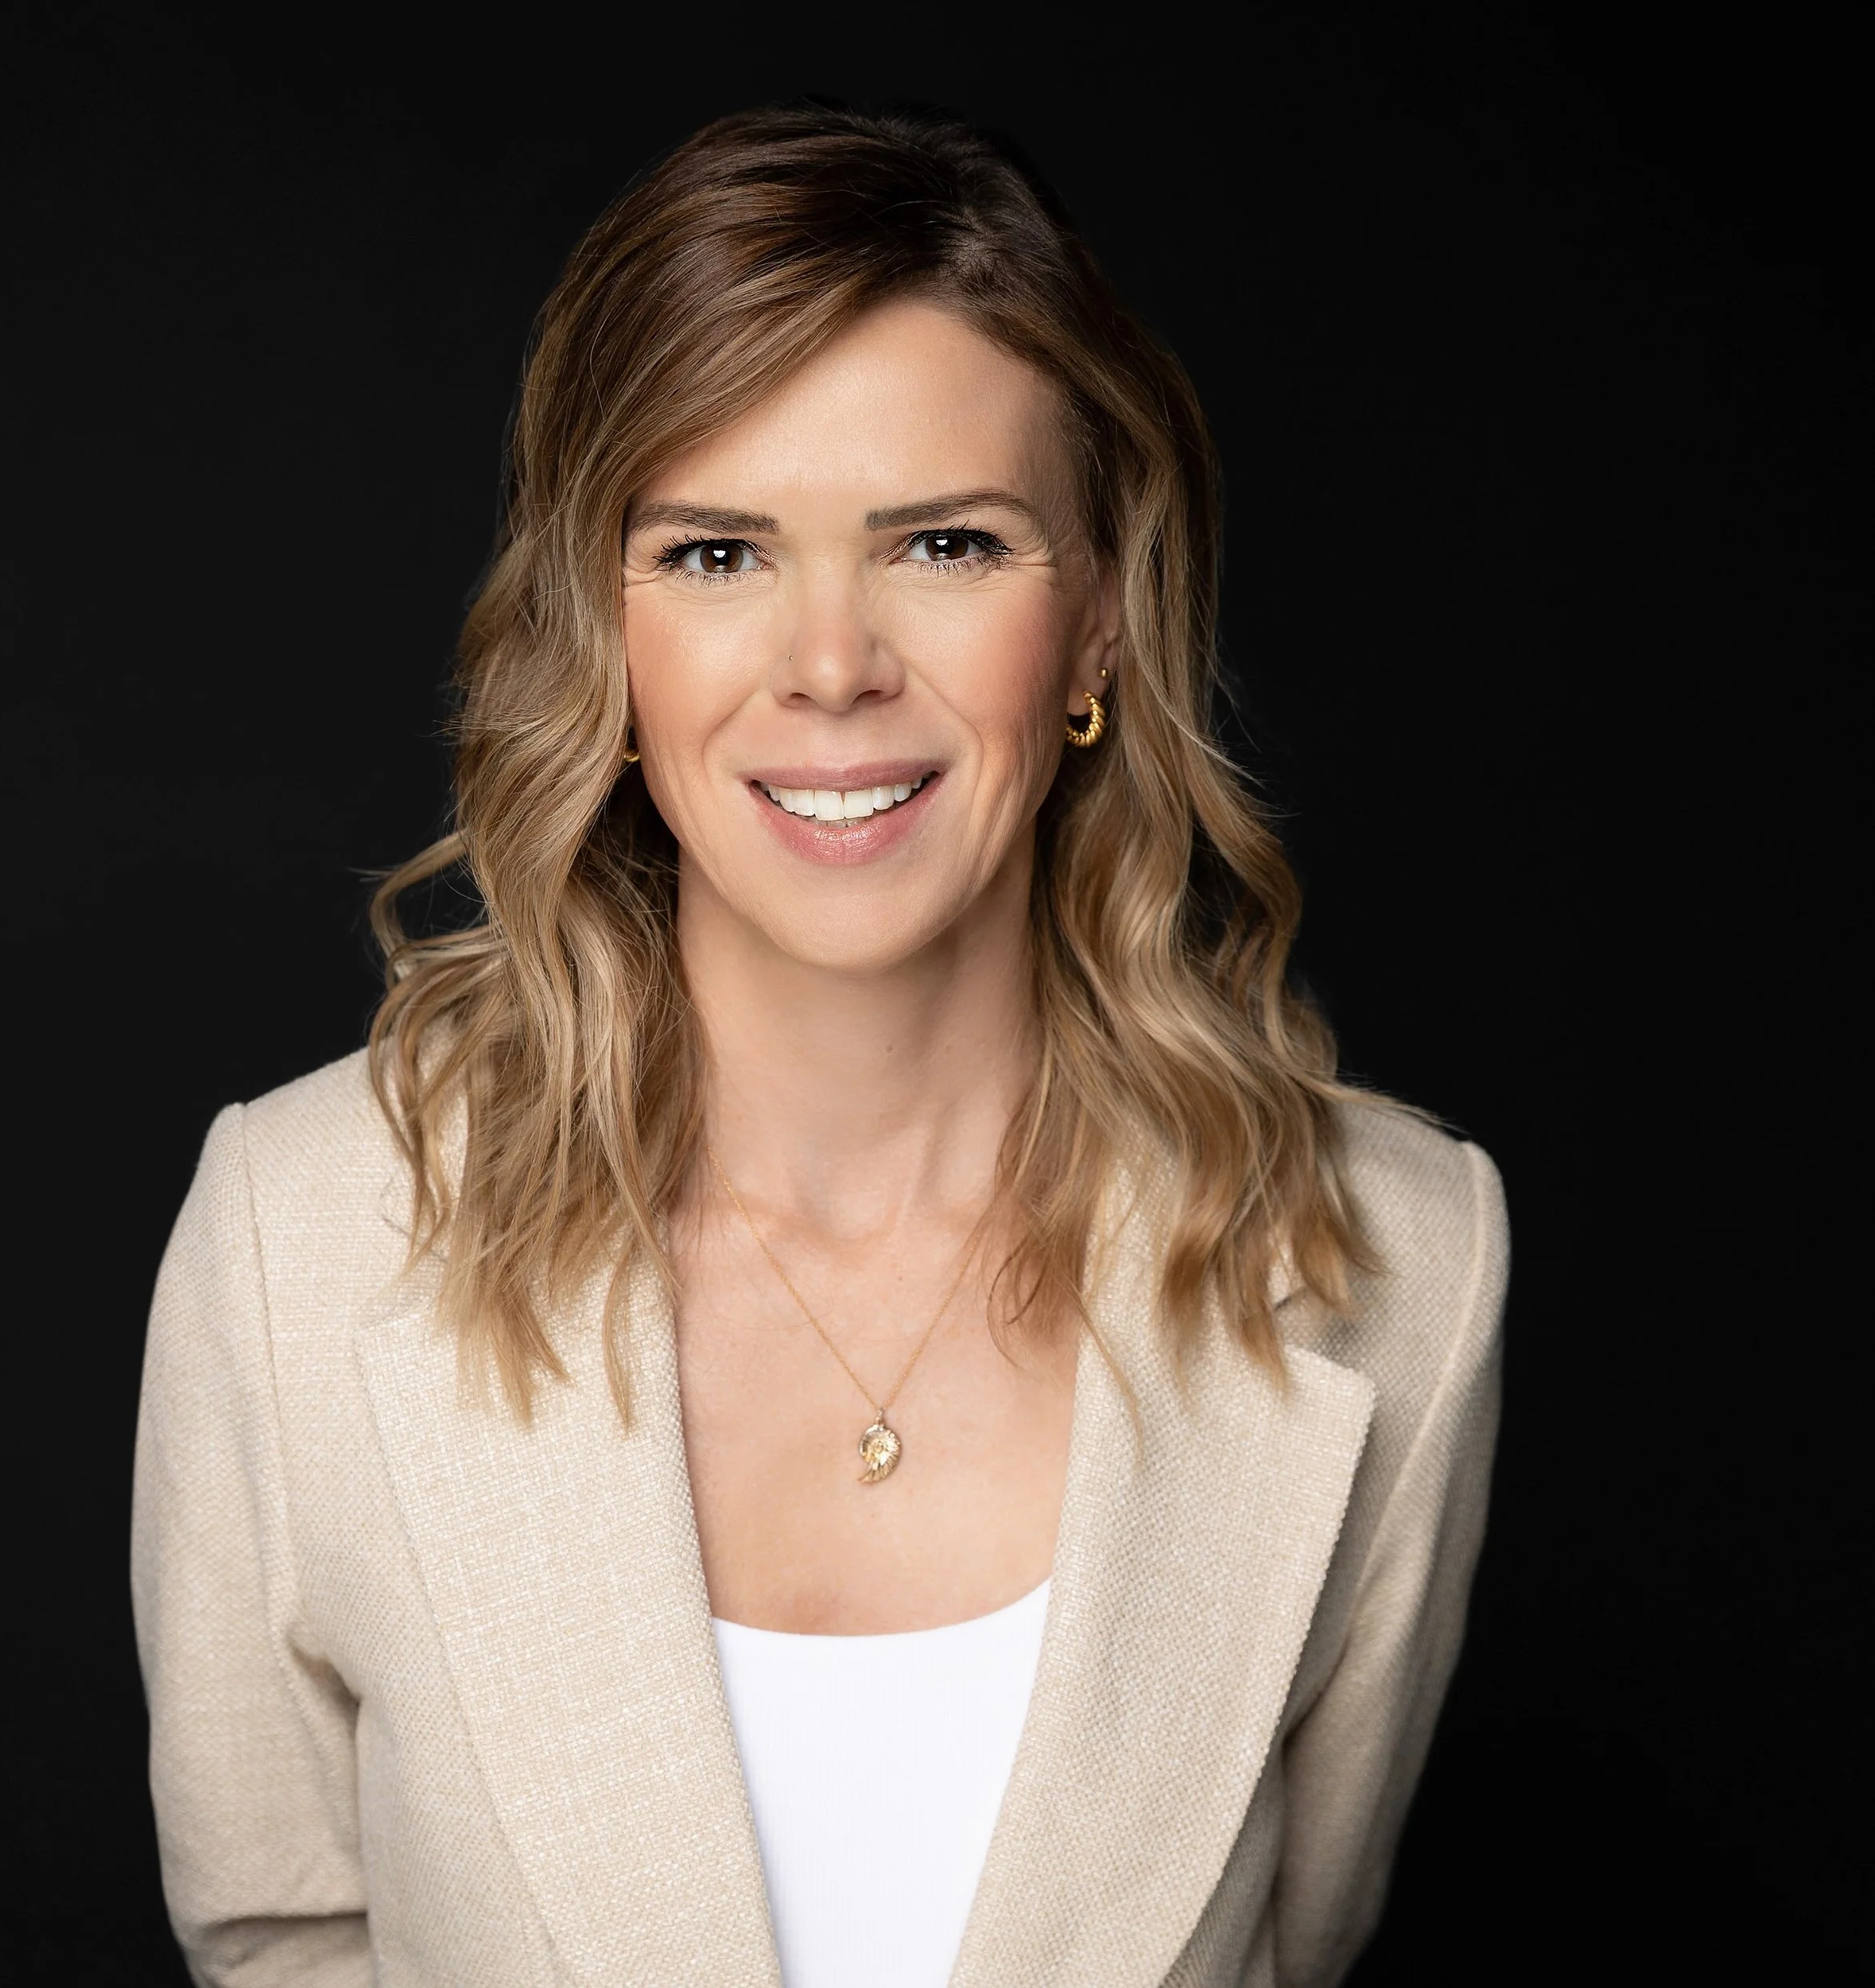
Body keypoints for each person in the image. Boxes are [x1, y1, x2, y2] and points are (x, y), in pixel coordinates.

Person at [132, 103, 1506, 1988]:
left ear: (1096, 616)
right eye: (714, 552)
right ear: (599, 635)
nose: (833, 663)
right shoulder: (297, 1237)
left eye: (944, 540)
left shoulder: (1404, 1264)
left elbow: (1300, 1934)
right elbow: (281, 1939)